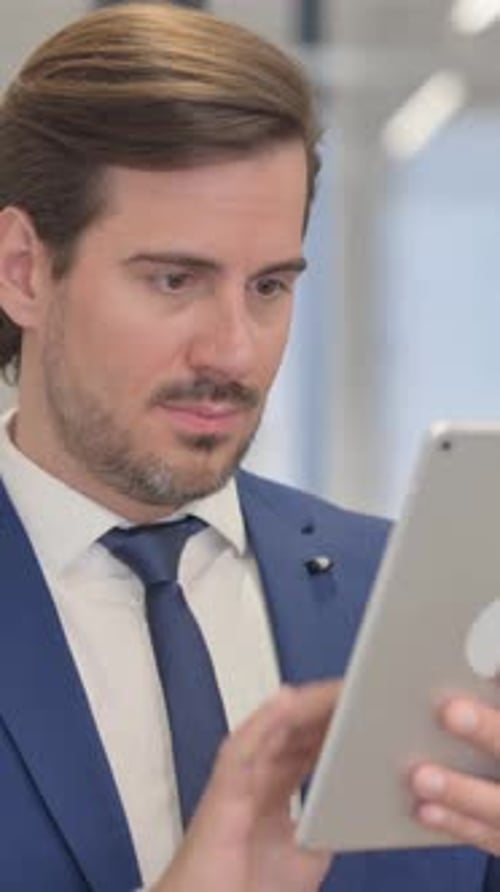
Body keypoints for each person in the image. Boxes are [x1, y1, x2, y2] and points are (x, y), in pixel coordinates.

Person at [0, 3, 497, 890]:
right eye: (174, 279)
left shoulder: (400, 599)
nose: (234, 350)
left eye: (269, 285)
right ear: (26, 270)